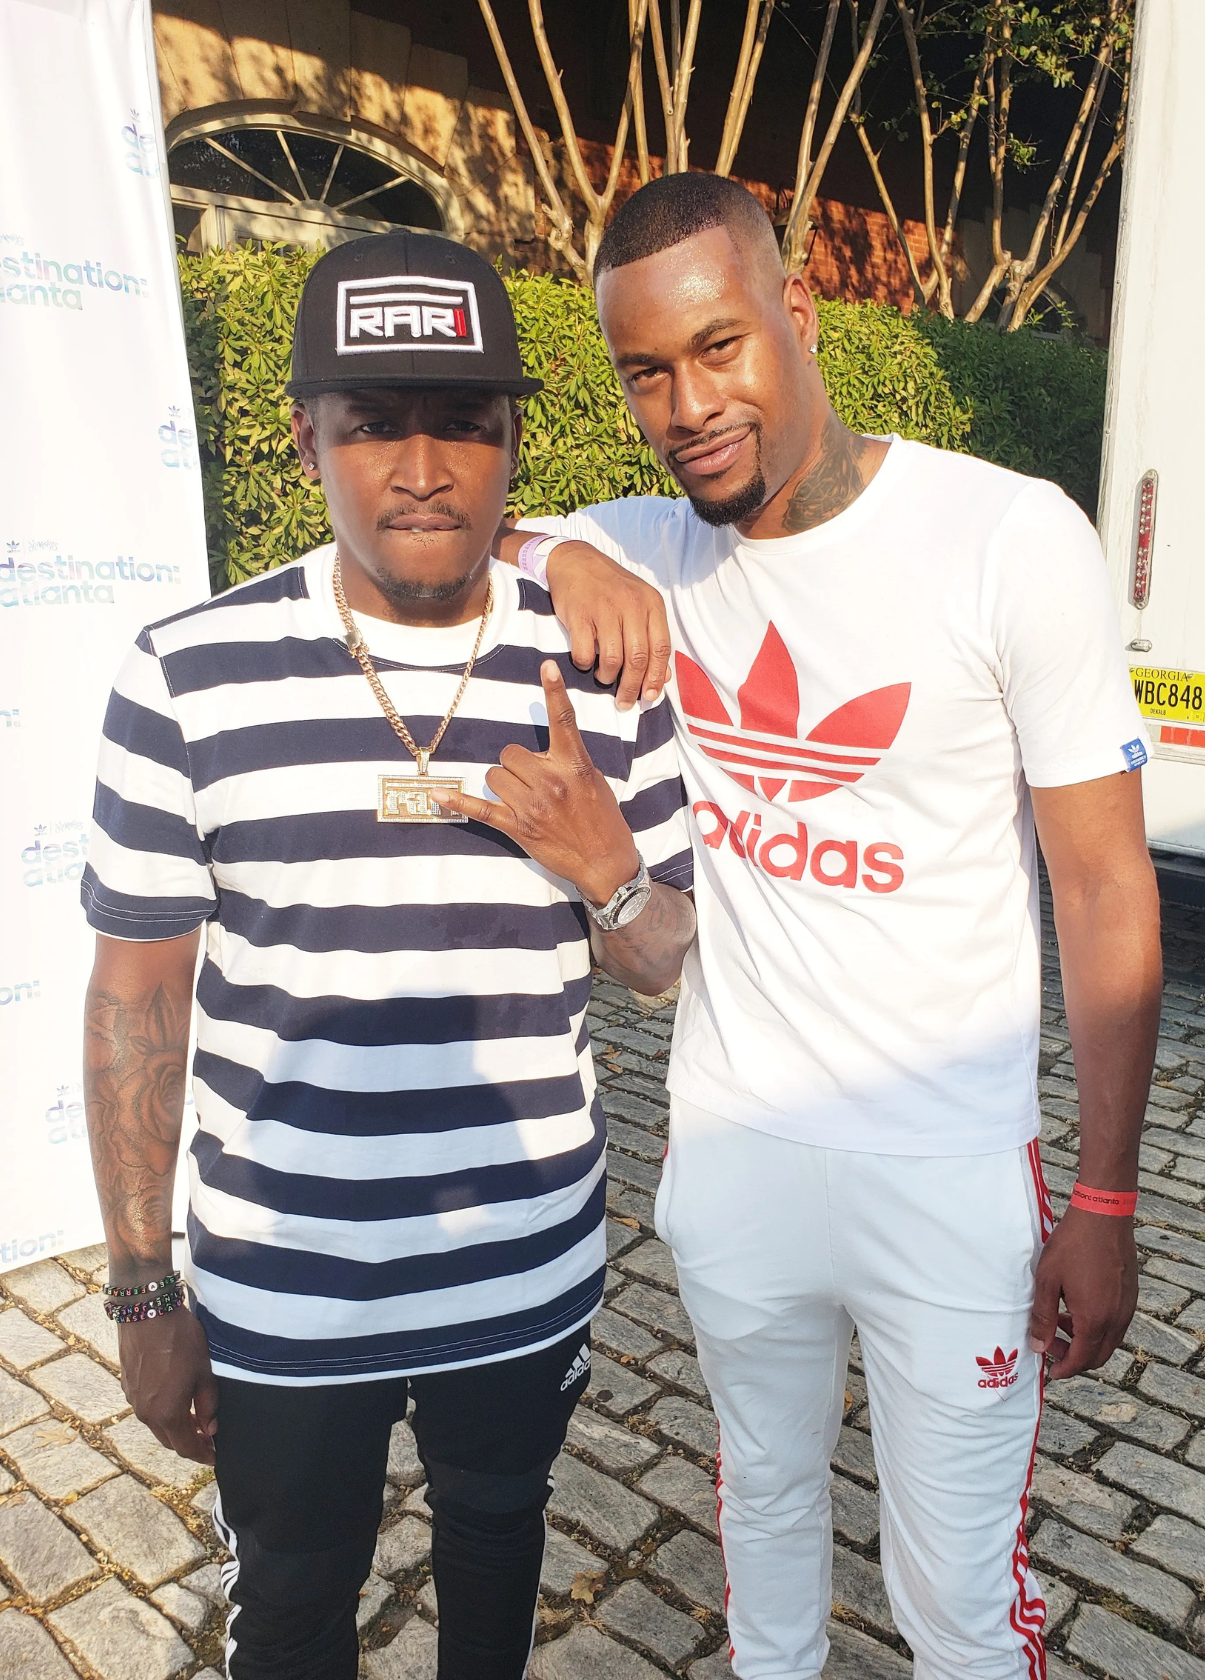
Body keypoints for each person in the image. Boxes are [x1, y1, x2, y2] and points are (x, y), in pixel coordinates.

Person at [495, 173, 1162, 1680]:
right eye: (645, 372)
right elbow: (478, 530)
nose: (686, 405)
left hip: (950, 1171)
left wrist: (1107, 1204)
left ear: (797, 315)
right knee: (768, 1536)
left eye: (719, 347)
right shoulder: (655, 542)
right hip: (737, 1157)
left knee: (964, 1608)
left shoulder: (1009, 539)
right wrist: (572, 552)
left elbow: (1110, 891)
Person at [80, 229, 695, 1680]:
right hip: (286, 1287)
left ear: (511, 441)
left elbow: (666, 961)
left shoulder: (602, 665)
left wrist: (606, 871)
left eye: (465, 423)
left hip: (521, 1271)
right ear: (305, 440)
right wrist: (141, 1288)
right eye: (374, 425)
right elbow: (136, 996)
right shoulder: (187, 673)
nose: (424, 466)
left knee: (496, 1569)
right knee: (291, 1610)